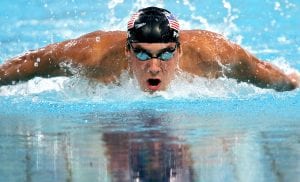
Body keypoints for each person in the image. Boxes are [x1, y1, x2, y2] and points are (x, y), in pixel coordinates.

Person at [0, 6, 299, 92]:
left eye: (166, 53)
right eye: (142, 53)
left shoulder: (213, 54)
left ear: (180, 51)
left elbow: (264, 71)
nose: (154, 66)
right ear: (127, 51)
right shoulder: (92, 56)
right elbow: (29, 63)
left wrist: (292, 83)